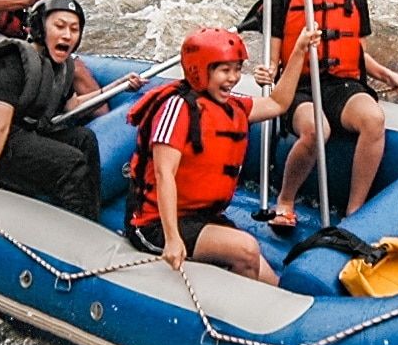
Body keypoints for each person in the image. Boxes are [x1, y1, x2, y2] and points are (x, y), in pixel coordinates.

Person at [242, 0, 398, 230]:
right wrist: (265, 73)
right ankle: (286, 200)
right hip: (298, 86)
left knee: (374, 119)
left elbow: (358, 53)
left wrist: (388, 75)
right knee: (317, 130)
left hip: (342, 84)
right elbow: (271, 59)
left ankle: (354, 211)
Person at [126, 26, 312, 282]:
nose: (234, 78)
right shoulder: (177, 108)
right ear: (200, 71)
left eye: (237, 69)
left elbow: (277, 104)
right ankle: (241, 317)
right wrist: (172, 239)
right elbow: (163, 173)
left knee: (272, 281)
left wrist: (299, 51)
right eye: (225, 70)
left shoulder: (232, 106)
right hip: (155, 223)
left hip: (202, 217)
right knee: (246, 250)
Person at [0, 0, 106, 220]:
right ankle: (79, 236)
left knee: (84, 139)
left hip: (22, 139)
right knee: (72, 163)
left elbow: (74, 105)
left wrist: (120, 86)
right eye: (59, 26)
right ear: (40, 28)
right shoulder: (13, 61)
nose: (67, 35)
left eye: (74, 29)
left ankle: (91, 218)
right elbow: (0, 126)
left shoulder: (59, 67)